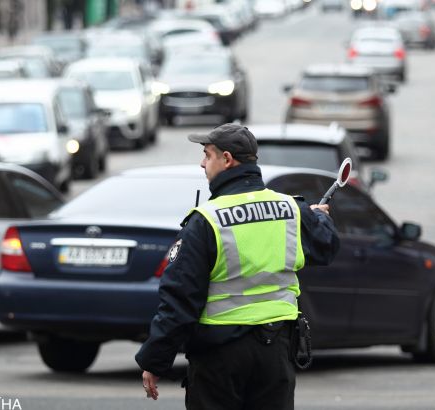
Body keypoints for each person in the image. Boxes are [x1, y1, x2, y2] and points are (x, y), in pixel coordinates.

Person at [135, 123, 340, 409]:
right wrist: (318, 218)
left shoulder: (207, 220)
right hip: (275, 353)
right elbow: (327, 246)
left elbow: (180, 298)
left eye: (207, 155)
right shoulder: (290, 209)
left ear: (227, 159)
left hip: (220, 357)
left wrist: (155, 360)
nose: (202, 163)